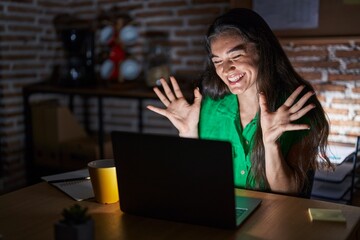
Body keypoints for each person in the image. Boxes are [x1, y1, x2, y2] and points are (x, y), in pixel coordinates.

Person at [146, 8, 330, 196]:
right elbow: (195, 179)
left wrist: (270, 144)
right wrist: (188, 133)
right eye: (218, 61)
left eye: (236, 56)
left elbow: (289, 194)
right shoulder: (209, 106)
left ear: (261, 50)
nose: (226, 69)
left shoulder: (298, 108)